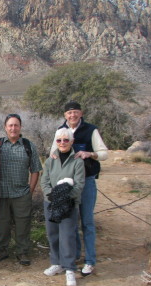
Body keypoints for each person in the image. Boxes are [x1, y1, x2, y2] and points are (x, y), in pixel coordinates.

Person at [50, 101, 108, 276]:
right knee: (71, 221)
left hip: (87, 180)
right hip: (68, 184)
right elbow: (53, 151)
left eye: (75, 112)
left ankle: (90, 260)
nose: (72, 115)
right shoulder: (61, 130)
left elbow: (104, 153)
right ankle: (74, 256)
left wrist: (90, 154)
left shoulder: (91, 130)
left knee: (88, 221)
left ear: (81, 113)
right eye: (69, 113)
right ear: (65, 115)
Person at [0, 114, 42, 266]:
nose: (13, 128)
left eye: (16, 125)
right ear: (5, 127)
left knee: (23, 224)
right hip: (1, 193)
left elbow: (35, 169)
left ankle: (22, 252)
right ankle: (1, 250)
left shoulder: (28, 145)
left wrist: (30, 190)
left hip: (21, 193)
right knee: (2, 224)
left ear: (20, 127)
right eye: (10, 125)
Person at [41, 128, 85, 286]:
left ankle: (70, 269)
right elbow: (44, 182)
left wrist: (63, 197)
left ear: (72, 142)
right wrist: (51, 195)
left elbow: (79, 185)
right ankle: (56, 263)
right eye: (59, 140)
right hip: (51, 202)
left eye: (66, 140)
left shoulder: (78, 161)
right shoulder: (50, 161)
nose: (62, 143)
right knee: (52, 233)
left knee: (67, 235)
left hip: (69, 204)